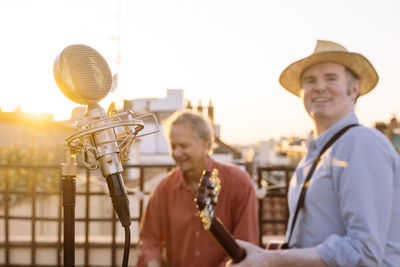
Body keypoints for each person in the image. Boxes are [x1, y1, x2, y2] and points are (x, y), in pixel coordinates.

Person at [227, 40, 400, 266]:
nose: (319, 87)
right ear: (302, 93)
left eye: (331, 78)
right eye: (310, 81)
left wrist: (270, 259)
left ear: (354, 89)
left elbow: (363, 253)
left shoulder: (361, 143)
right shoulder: (319, 153)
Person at [137, 110, 259, 267]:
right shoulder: (164, 188)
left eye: (183, 146)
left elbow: (246, 245)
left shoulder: (239, 183)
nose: (176, 153)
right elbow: (148, 239)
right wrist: (153, 262)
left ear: (206, 143)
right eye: (173, 146)